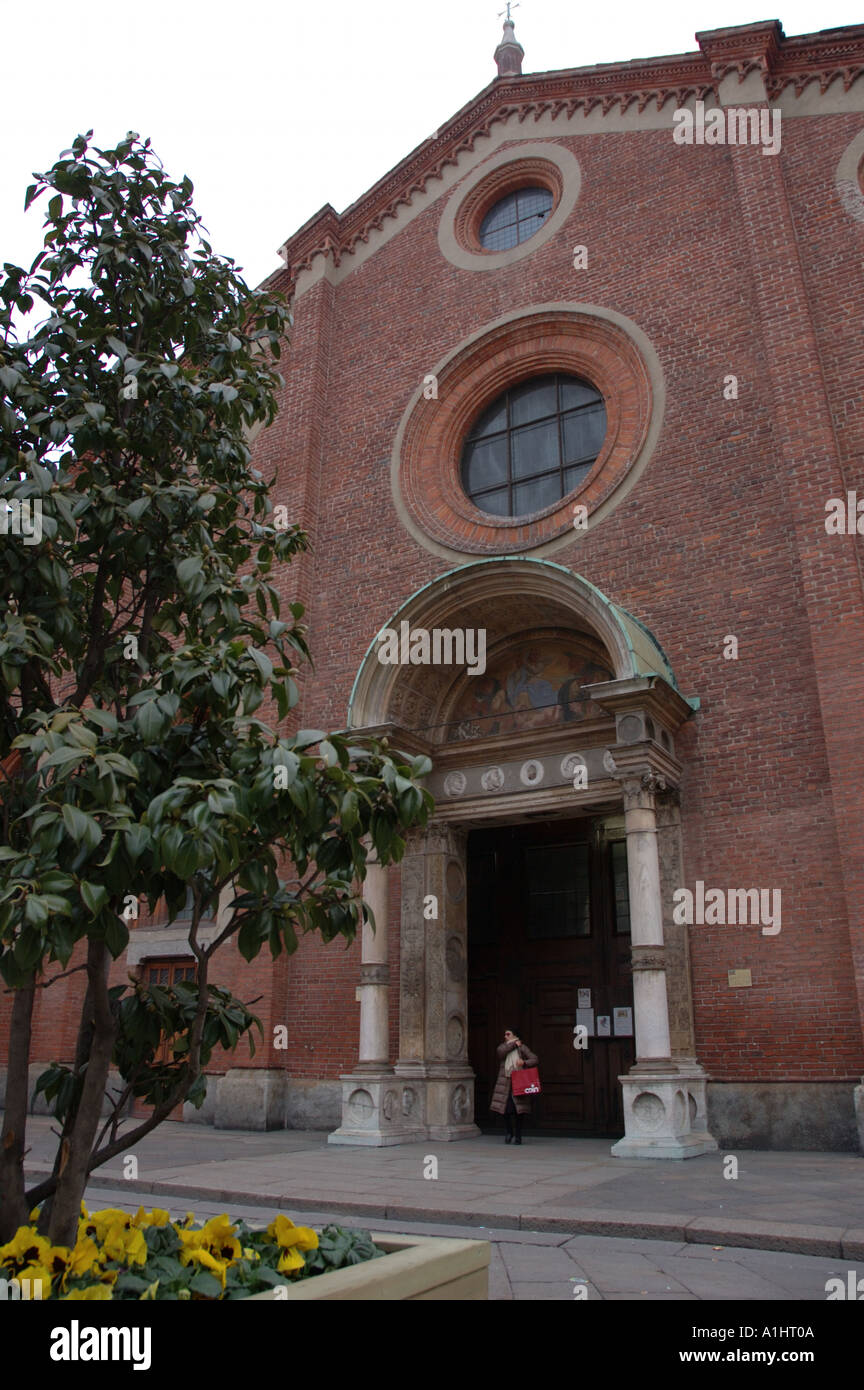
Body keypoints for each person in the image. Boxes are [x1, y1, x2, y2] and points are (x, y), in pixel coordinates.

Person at [489, 1028, 538, 1144]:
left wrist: (524, 1062)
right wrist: (514, 1045)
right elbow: (501, 1052)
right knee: (505, 1110)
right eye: (505, 1034)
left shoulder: (522, 1048)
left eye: (508, 1034)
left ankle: (518, 1136)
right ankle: (509, 1132)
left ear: (514, 1035)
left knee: (519, 1111)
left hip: (519, 1082)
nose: (505, 1036)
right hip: (505, 1083)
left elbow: (535, 1059)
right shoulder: (504, 1046)